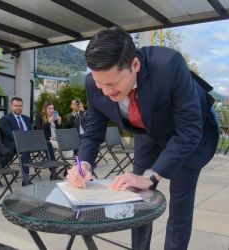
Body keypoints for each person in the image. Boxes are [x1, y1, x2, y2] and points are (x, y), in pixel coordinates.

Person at [66, 26, 219, 250]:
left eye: (112, 84)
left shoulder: (169, 65)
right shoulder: (94, 84)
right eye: (100, 83)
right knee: (135, 196)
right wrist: (84, 164)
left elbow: (189, 130)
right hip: (147, 133)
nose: (105, 92)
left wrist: (152, 176)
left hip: (187, 134)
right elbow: (92, 132)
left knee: (179, 205)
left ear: (135, 65)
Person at [0, 97, 32, 186]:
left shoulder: (27, 119)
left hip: (27, 142)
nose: (18, 108)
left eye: (20, 106)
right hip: (12, 143)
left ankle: (53, 172)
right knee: (25, 148)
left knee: (47, 144)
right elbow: (8, 134)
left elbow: (31, 132)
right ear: (11, 106)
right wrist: (22, 139)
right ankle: (26, 178)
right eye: (16, 105)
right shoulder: (6, 118)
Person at [34, 100, 62, 180]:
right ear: (45, 109)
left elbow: (60, 132)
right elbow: (39, 131)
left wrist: (59, 122)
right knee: (55, 145)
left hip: (57, 139)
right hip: (47, 139)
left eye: (52, 108)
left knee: (69, 147)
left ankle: (69, 169)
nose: (51, 110)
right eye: (49, 108)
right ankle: (54, 172)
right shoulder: (39, 117)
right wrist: (48, 122)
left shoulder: (55, 117)